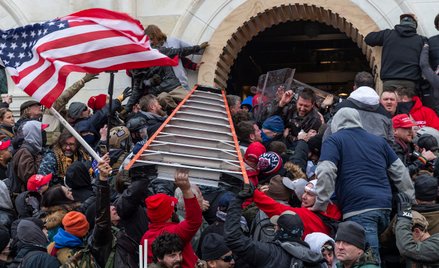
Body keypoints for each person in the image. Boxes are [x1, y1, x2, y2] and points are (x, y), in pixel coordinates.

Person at [312, 107, 415, 263]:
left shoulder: (334, 140)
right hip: (384, 208)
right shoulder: (379, 141)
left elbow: (326, 170)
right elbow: (400, 172)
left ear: (336, 123)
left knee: (368, 260)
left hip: (358, 209)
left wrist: (321, 203)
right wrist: (410, 201)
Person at [224, 185, 325, 268]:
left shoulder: (268, 253)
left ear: (279, 230)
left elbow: (233, 238)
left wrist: (237, 201)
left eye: (276, 226)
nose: (274, 228)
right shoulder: (317, 260)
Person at [142, 169, 202, 267]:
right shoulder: (175, 231)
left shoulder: (145, 238)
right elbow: (194, 221)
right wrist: (186, 190)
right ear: (169, 214)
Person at [253, 179, 341, 238]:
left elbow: (276, 208)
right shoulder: (333, 213)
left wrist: (254, 193)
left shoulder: (307, 215)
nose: (303, 196)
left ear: (320, 198)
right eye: (304, 192)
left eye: (310, 194)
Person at [364, 13, 426, 92]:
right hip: (410, 82)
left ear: (401, 23)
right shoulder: (421, 40)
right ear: (414, 25)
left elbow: (369, 39)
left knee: (389, 103)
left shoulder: (388, 34)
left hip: (389, 81)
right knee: (407, 104)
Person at [394, 193, 439, 266]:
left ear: (417, 231)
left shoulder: (436, 244)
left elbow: (407, 249)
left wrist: (405, 217)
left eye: (406, 234)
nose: (399, 240)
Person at [11, 121, 44, 192]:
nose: (44, 134)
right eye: (41, 131)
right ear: (34, 133)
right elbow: (29, 177)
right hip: (28, 193)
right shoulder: (25, 152)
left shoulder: (33, 149)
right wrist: (40, 158)